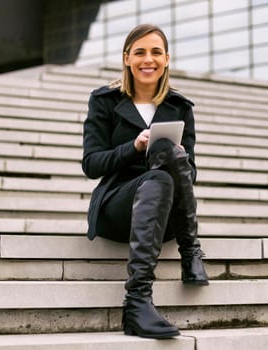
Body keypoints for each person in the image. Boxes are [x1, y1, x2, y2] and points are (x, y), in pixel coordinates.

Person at [81, 24, 208, 339]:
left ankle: (189, 249)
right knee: (157, 178)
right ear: (127, 58)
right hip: (118, 206)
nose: (147, 59)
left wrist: (172, 156)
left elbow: (190, 174)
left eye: (155, 52)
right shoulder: (105, 100)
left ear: (166, 59)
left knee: (171, 160)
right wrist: (133, 147)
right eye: (139, 52)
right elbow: (91, 163)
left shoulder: (180, 107)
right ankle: (139, 299)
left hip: (163, 215)